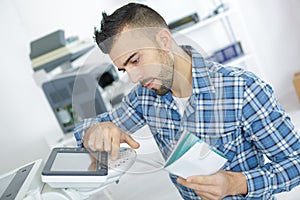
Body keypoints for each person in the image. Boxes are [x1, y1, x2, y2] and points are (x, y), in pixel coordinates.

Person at [74, 3, 300, 200]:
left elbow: (296, 163)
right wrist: (96, 130)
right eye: (124, 69)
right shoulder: (144, 97)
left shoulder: (243, 89)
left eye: (136, 60)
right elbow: (85, 130)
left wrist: (235, 183)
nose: (134, 77)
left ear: (164, 40)